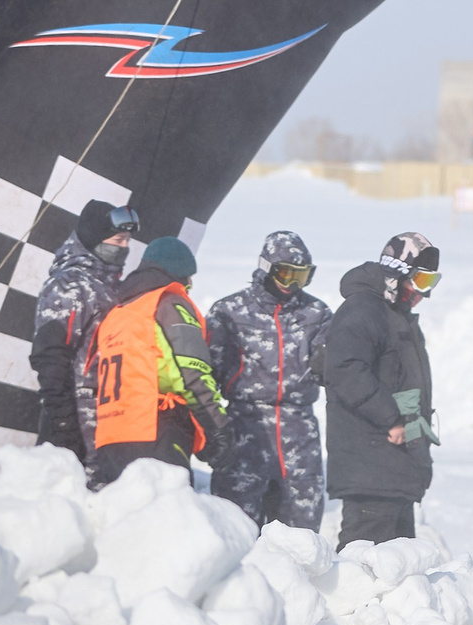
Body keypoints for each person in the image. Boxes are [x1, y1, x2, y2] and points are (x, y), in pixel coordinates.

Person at [323, 231, 441, 550]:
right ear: (397, 272)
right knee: (364, 564)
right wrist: (392, 419)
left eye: (430, 283)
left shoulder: (394, 317)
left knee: (400, 566)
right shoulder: (364, 310)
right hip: (371, 467)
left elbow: (400, 383)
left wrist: (415, 436)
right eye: (419, 281)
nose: (422, 294)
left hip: (394, 469)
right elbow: (344, 369)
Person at [206, 230, 331, 530]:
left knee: (301, 530)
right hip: (245, 430)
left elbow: (334, 369)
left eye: (301, 277)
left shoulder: (317, 313)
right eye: (286, 274)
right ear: (267, 268)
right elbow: (208, 373)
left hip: (299, 432)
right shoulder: (229, 312)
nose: (292, 285)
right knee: (237, 526)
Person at [85, 236, 228, 487]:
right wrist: (218, 431)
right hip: (155, 431)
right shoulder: (169, 303)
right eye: (188, 279)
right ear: (178, 273)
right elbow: (192, 372)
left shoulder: (117, 314)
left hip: (110, 438)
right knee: (167, 521)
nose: (189, 285)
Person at [30, 199, 137, 457]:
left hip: (106, 419)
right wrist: (64, 426)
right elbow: (50, 357)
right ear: (95, 238)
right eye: (118, 241)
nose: (125, 248)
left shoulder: (108, 286)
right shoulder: (69, 285)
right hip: (76, 422)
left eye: (127, 242)